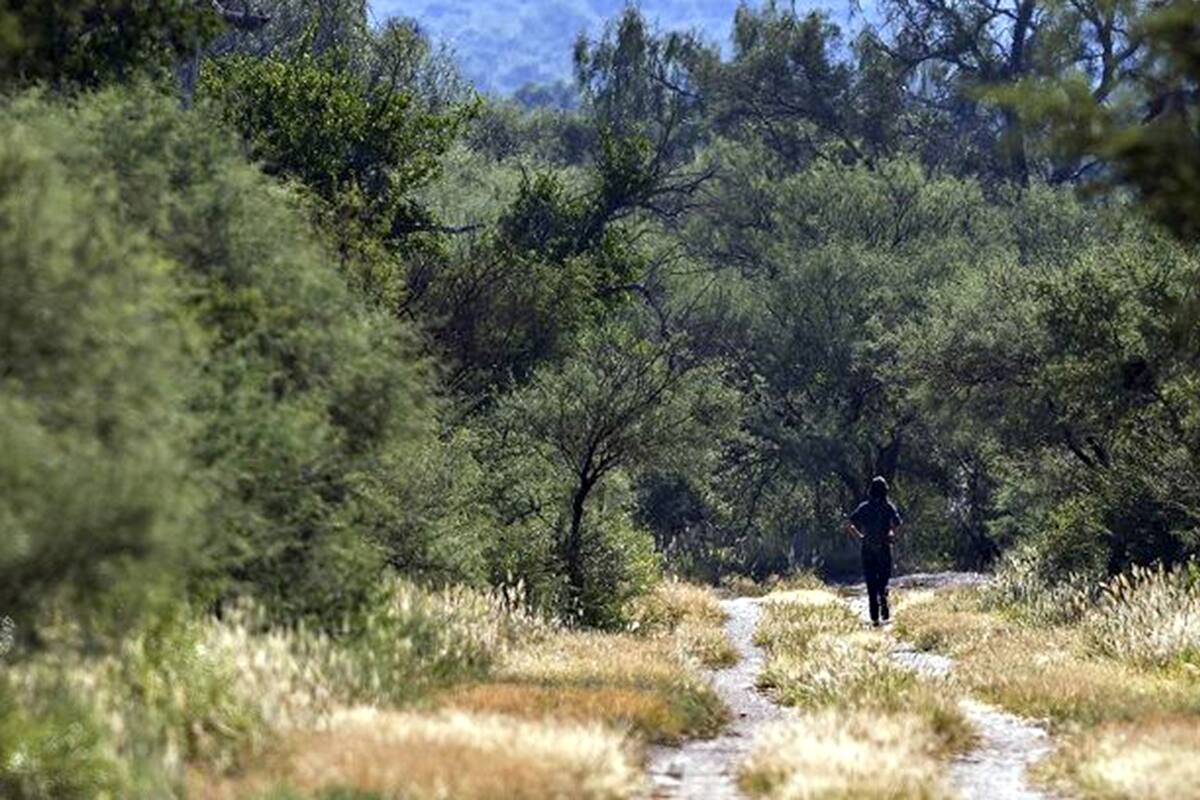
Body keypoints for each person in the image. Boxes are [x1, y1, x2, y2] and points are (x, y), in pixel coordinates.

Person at [845, 476, 903, 626]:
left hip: (867, 549)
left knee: (871, 584)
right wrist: (891, 533)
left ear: (871, 491)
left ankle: (875, 619)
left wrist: (860, 537)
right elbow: (897, 524)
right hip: (884, 548)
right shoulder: (889, 506)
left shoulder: (864, 507)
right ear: (885, 491)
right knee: (882, 581)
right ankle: (883, 599)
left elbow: (849, 524)